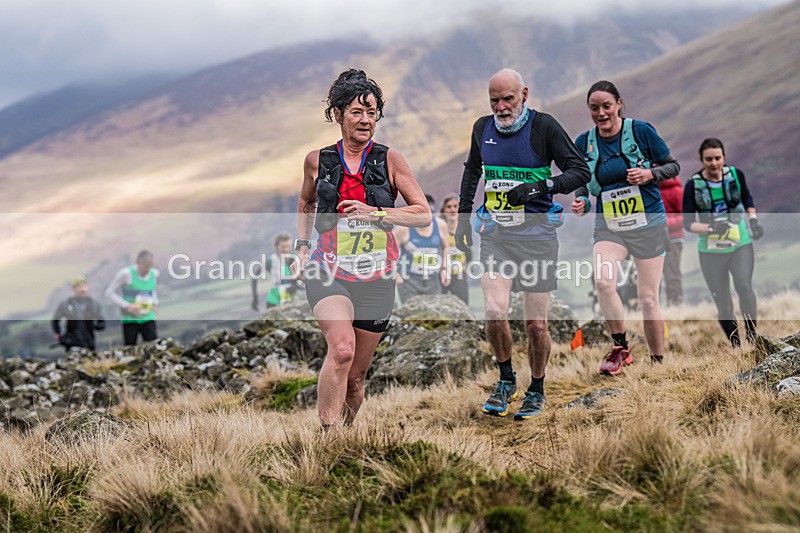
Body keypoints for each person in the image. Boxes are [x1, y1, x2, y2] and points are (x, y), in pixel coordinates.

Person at [294, 69, 430, 429]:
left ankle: (346, 437)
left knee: (355, 380)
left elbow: (423, 215)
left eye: (372, 113)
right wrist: (303, 247)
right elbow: (306, 203)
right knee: (341, 350)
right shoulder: (317, 161)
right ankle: (326, 438)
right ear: (337, 115)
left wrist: (377, 212)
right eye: (357, 112)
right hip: (328, 271)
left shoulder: (390, 160)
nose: (366, 120)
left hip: (376, 277)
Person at [456, 68, 590, 420]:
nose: (501, 107)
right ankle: (505, 379)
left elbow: (580, 171)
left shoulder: (544, 127)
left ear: (524, 94)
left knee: (535, 326)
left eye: (508, 99)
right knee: (496, 311)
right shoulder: (481, 128)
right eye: (494, 100)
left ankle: (537, 387)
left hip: (537, 238)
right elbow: (472, 172)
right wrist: (461, 221)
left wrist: (541, 188)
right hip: (496, 237)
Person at [571, 80, 680, 374]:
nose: (601, 113)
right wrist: (581, 199)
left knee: (647, 298)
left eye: (607, 106)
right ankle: (621, 348)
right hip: (611, 226)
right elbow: (581, 180)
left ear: (619, 103)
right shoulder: (585, 142)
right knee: (604, 282)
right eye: (594, 108)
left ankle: (657, 363)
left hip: (648, 223)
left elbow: (673, 166)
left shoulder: (642, 131)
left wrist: (649, 174)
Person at [682, 138, 763, 346]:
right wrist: (710, 229)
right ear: (701, 160)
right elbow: (688, 223)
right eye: (708, 159)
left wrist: (753, 221)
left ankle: (752, 337)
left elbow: (747, 198)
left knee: (744, 287)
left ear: (724, 157)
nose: (714, 163)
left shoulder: (736, 175)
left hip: (740, 244)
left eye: (717, 158)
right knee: (723, 302)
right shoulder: (693, 185)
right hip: (710, 251)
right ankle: (736, 345)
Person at [394, 193, 450, 304]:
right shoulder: (403, 228)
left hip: (432, 280)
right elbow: (390, 251)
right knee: (412, 316)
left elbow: (446, 247)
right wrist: (395, 273)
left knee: (433, 317)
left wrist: (445, 270)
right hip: (408, 281)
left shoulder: (440, 225)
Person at [105, 250, 159, 346]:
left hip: (148, 316)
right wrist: (127, 306)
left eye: (149, 266)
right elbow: (109, 293)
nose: (147, 269)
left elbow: (152, 290)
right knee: (130, 348)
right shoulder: (125, 274)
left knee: (153, 346)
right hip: (130, 318)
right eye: (145, 266)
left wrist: (155, 303)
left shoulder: (154, 273)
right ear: (138, 262)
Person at [51, 276, 105, 351]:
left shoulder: (93, 304)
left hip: (89, 342)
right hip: (72, 343)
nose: (82, 289)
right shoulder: (66, 304)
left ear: (88, 287)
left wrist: (95, 326)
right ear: (74, 289)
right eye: (79, 286)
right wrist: (60, 336)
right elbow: (55, 321)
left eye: (84, 286)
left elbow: (102, 323)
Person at [251, 231, 301, 311]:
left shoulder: (294, 259)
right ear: (276, 246)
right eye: (283, 247)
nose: (285, 249)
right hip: (274, 300)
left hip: (292, 299)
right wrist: (255, 297)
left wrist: (296, 285)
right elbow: (254, 277)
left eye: (288, 246)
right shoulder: (270, 261)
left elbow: (303, 278)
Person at [439, 193, 470, 304]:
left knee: (463, 305)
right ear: (443, 210)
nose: (452, 210)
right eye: (449, 207)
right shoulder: (438, 229)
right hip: (441, 274)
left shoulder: (465, 230)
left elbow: (469, 253)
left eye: (455, 206)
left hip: (459, 274)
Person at [659, 176, 685, 306]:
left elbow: (686, 216)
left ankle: (675, 306)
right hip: (652, 239)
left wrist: (664, 224)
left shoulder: (676, 190)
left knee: (672, 275)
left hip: (673, 239)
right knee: (653, 277)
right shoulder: (649, 190)